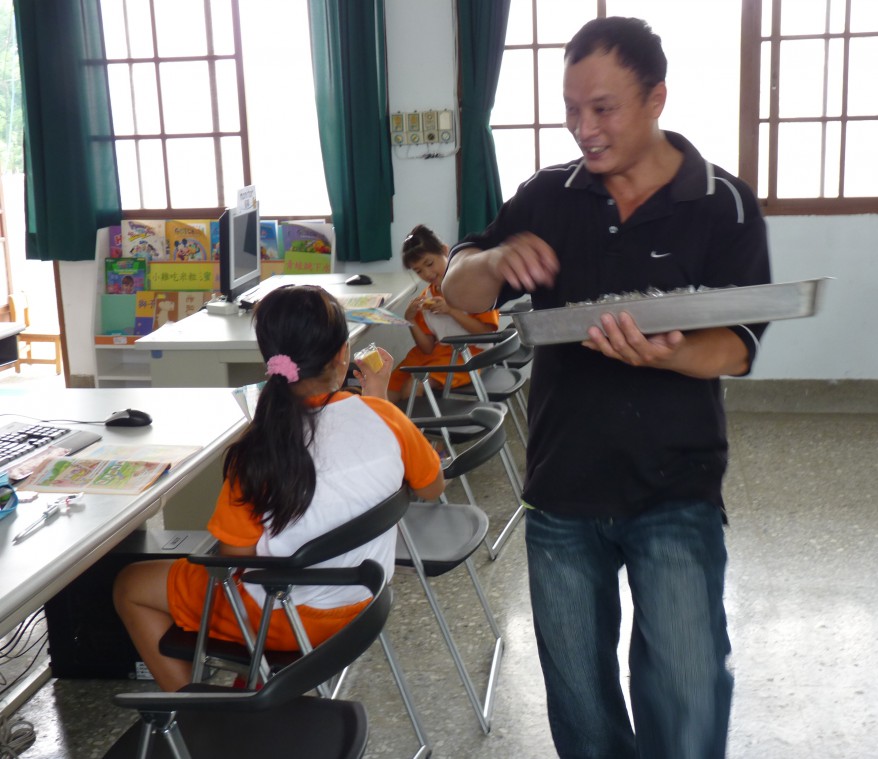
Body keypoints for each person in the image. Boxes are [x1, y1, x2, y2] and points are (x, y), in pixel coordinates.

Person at [442, 17, 772, 759]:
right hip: (562, 489)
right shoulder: (548, 195)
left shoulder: (721, 202)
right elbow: (458, 286)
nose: (583, 129)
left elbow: (737, 347)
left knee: (687, 699)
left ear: (656, 98)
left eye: (603, 108)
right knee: (581, 707)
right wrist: (492, 260)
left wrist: (664, 355)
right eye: (571, 109)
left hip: (675, 486)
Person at [113, 285, 445, 691]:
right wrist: (378, 399)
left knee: (130, 585)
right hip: (365, 603)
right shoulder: (387, 418)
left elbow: (235, 558)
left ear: (270, 359)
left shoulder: (259, 449)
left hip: (283, 615)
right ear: (343, 355)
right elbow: (432, 488)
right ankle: (253, 685)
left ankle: (193, 711)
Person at [386, 224, 500, 403]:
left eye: (429, 263)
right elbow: (427, 348)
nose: (427, 273)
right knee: (384, 391)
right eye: (418, 271)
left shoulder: (473, 284)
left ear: (445, 251)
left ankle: (414, 422)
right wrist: (410, 320)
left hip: (469, 355)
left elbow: (487, 334)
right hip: (436, 355)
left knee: (412, 387)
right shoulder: (426, 298)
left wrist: (451, 311)